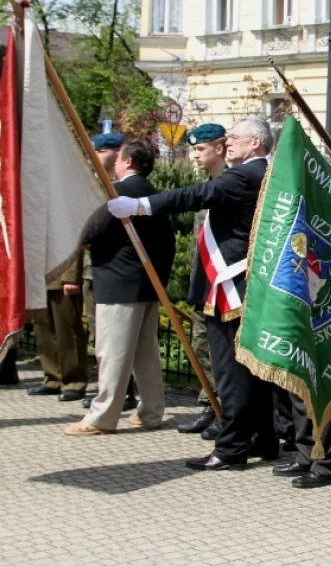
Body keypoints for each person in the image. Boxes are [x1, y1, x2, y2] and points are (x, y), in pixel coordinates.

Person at [106, 116, 277, 469]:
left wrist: (142, 205)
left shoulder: (245, 174)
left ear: (256, 144)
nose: (229, 142)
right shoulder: (265, 173)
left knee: (231, 371)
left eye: (236, 138)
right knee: (252, 369)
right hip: (245, 282)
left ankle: (231, 449)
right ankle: (264, 438)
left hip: (231, 283)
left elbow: (195, 194)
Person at [66, 140, 175, 435]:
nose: (114, 163)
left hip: (118, 283)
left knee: (112, 353)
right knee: (145, 355)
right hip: (146, 285)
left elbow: (94, 232)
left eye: (118, 159)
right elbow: (169, 243)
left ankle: (102, 416)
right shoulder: (154, 195)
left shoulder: (119, 192)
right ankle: (151, 412)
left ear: (128, 162)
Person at [175, 124, 227, 438]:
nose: (195, 155)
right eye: (194, 149)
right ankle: (210, 403)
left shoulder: (230, 186)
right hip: (203, 282)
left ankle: (227, 409)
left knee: (223, 351)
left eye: (200, 149)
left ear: (219, 149)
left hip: (225, 286)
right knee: (201, 345)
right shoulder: (206, 187)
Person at [83, 133, 138, 411]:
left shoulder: (121, 188)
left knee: (119, 340)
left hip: (116, 274)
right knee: (100, 336)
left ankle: (122, 393)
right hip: (94, 272)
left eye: (103, 150)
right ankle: (106, 387)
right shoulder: (90, 184)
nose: (97, 154)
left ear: (117, 154)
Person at [26, 251, 87, 402]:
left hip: (62, 278)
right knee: (44, 330)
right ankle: (53, 378)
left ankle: (74, 382)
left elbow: (73, 243)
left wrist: (72, 277)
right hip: (39, 278)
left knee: (68, 331)